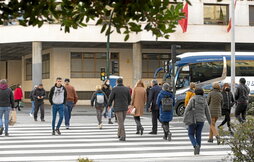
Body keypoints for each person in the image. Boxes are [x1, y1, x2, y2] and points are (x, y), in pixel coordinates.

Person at [183, 88, 211, 155]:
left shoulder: (193, 99)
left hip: (193, 119)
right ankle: (198, 149)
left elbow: (187, 109)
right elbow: (207, 112)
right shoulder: (204, 100)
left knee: (190, 134)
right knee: (198, 134)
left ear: (195, 93)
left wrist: (184, 118)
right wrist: (210, 122)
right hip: (201, 120)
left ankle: (195, 145)